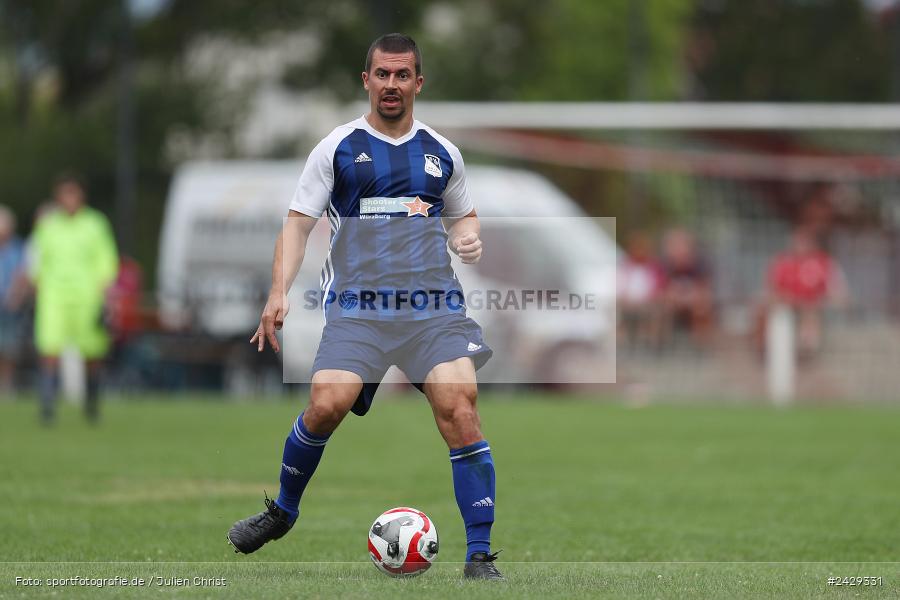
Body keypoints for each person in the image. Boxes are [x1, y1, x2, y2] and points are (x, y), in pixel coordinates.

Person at [226, 34, 502, 580]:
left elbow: (463, 217)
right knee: (328, 402)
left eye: (403, 75)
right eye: (383, 75)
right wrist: (278, 292)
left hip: (431, 310)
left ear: (418, 82)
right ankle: (282, 511)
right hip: (360, 309)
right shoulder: (336, 148)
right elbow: (298, 224)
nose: (392, 85)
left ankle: (479, 556)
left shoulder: (443, 152)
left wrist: (469, 238)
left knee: (460, 407)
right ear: (366, 80)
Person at [30, 174, 119, 423]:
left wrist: (105, 287)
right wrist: (36, 282)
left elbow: (106, 259)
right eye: (64, 194)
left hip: (86, 296)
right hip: (54, 296)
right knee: (49, 348)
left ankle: (92, 401)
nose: (69, 200)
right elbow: (37, 258)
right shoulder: (48, 225)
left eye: (73, 194)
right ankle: (47, 405)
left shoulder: (95, 224)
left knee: (91, 351)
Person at [763, 227, 847, 359]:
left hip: (813, 305)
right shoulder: (783, 262)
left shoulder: (824, 262)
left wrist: (821, 300)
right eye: (797, 241)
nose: (800, 245)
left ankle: (808, 347)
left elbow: (838, 293)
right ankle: (766, 345)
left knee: (809, 309)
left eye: (804, 242)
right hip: (788, 303)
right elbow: (771, 289)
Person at [659, 228, 715, 348]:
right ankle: (661, 346)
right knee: (661, 308)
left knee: (701, 308)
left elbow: (704, 290)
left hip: (693, 302)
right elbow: (662, 290)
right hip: (673, 303)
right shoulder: (665, 266)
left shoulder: (700, 265)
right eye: (674, 247)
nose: (677, 251)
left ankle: (699, 347)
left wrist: (690, 297)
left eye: (681, 247)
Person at [617, 231, 665, 351]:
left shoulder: (653, 268)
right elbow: (620, 287)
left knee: (653, 313)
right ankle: (621, 344)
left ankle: (648, 344)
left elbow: (658, 288)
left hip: (647, 303)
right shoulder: (625, 266)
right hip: (627, 303)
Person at [0, 205, 26, 394]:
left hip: (9, 304)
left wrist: (17, 295)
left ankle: (6, 385)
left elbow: (24, 274)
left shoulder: (18, 249)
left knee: (8, 347)